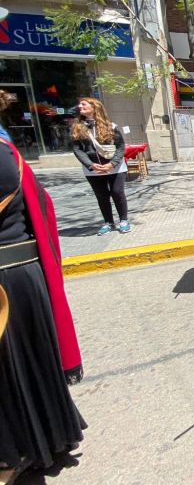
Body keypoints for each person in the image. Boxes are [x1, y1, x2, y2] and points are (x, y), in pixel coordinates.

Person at [0, 135, 86, 482]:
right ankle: (42, 441)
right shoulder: (9, 151)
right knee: (25, 366)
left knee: (13, 372)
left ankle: (14, 453)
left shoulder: (3, 153)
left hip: (8, 281)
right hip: (23, 277)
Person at [70, 97, 131, 235]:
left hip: (114, 167)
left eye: (84, 104)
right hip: (93, 170)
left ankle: (124, 220)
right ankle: (108, 222)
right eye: (79, 104)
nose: (80, 106)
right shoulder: (77, 128)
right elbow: (77, 149)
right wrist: (90, 165)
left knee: (117, 192)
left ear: (94, 107)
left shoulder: (111, 126)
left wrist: (112, 164)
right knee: (102, 196)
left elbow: (120, 146)